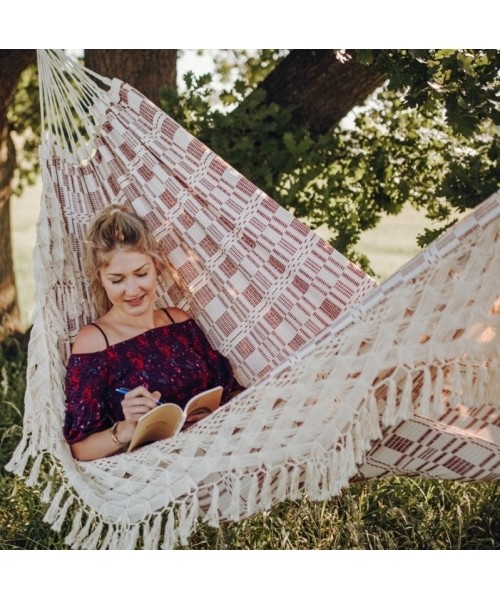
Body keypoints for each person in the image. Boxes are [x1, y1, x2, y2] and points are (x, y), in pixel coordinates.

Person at [63, 205, 241, 461]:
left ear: (156, 267)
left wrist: (214, 412)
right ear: (100, 279)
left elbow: (228, 389)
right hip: (158, 469)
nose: (132, 290)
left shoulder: (178, 321)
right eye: (117, 280)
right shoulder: (95, 341)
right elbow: (80, 449)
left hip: (218, 448)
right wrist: (123, 431)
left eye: (141, 273)